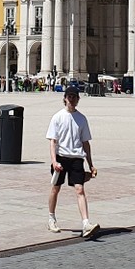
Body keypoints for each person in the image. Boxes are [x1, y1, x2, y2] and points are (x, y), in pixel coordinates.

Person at [45, 86, 100, 239]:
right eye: (69, 96)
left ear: (78, 99)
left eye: (74, 97)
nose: (71, 99)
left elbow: (86, 143)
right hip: (61, 158)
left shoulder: (82, 119)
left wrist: (90, 164)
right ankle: (51, 218)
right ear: (64, 98)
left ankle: (86, 223)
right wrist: (54, 161)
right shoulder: (57, 117)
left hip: (76, 158)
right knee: (55, 189)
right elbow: (53, 142)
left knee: (80, 190)